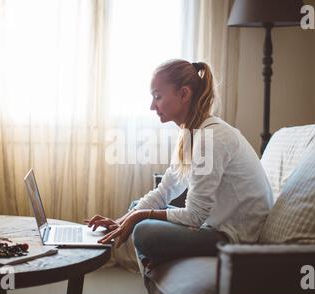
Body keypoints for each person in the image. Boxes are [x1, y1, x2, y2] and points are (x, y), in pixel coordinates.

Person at [86, 59, 273, 273]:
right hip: (213, 225)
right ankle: (164, 253)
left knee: (143, 230)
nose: (152, 106)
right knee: (136, 208)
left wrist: (139, 216)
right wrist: (120, 221)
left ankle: (164, 254)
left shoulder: (210, 138)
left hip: (236, 237)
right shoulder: (191, 134)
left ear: (184, 94)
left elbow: (194, 215)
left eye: (158, 97)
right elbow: (165, 191)